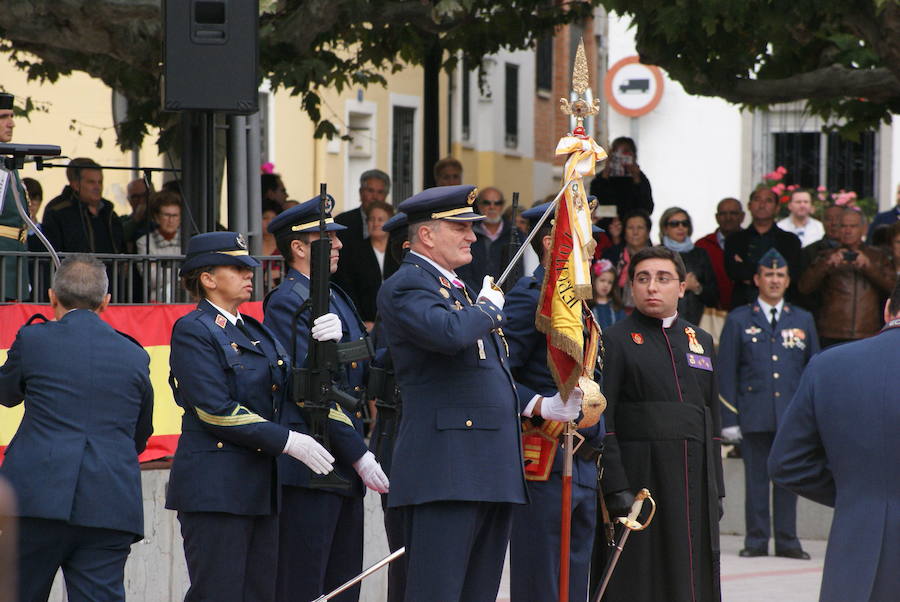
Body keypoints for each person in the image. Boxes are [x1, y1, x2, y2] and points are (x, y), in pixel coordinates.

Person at [376, 184, 527, 601]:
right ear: (427, 235)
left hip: (486, 468)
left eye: (472, 227)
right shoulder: (409, 284)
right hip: (446, 469)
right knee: (437, 591)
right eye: (461, 227)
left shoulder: (456, 288)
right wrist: (488, 310)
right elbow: (448, 334)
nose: (472, 236)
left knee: (477, 592)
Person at [165, 232, 335, 602]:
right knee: (219, 592)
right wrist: (286, 440)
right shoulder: (194, 330)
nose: (249, 274)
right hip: (216, 488)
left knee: (260, 593)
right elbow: (215, 409)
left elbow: (291, 387)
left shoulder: (254, 330)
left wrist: (324, 347)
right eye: (237, 267)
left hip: (259, 486)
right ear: (207, 278)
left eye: (249, 267)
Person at [0, 255, 154, 601]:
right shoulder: (134, 354)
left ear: (52, 297)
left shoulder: (34, 339)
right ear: (106, 302)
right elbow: (140, 434)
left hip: (35, 498)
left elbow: (6, 393)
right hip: (109, 500)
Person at [263, 198, 388, 602]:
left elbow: (360, 366)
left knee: (342, 584)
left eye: (336, 237)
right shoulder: (287, 301)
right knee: (305, 583)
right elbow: (308, 386)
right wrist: (358, 453)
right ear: (299, 247)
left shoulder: (337, 297)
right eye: (326, 237)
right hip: (313, 462)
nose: (337, 244)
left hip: (343, 457)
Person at [596, 245, 724, 602]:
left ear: (681, 287)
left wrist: (718, 488)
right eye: (643, 279)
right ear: (632, 287)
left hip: (694, 480)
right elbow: (604, 416)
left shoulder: (701, 341)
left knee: (692, 575)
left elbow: (712, 417)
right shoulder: (615, 339)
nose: (653, 287)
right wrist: (615, 484)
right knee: (640, 577)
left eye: (663, 278)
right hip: (641, 482)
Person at [768, 281, 900, 602]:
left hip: (857, 551)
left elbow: (786, 463)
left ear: (887, 310)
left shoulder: (828, 365)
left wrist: (852, 490)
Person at [504, 201, 600, 602]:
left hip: (581, 459)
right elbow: (497, 374)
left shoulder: (581, 303)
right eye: (580, 238)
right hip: (541, 459)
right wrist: (540, 405)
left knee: (576, 581)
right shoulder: (531, 298)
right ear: (551, 242)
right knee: (542, 581)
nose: (591, 248)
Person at [717, 248, 818, 559]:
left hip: (791, 416)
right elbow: (726, 371)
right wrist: (729, 419)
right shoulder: (738, 319)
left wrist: (812, 417)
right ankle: (757, 540)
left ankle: (788, 541)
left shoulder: (803, 319)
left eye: (780, 275)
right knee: (756, 481)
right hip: (753, 414)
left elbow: (813, 370)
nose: (774, 280)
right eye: (769, 275)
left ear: (788, 281)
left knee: (789, 481)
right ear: (757, 280)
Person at [367, 210, 410, 602]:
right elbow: (383, 363)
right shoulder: (401, 292)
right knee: (406, 555)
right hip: (399, 432)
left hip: (412, 433)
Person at [798, 208, 895, 346]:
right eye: (843, 226)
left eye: (853, 226)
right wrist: (827, 265)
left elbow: (893, 288)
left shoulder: (878, 256)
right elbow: (804, 287)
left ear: (863, 228)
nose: (847, 231)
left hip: (867, 332)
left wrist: (869, 268)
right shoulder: (825, 255)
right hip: (831, 333)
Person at [725, 187, 802, 307]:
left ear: (777, 208)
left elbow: (793, 274)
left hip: (781, 307)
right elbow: (734, 272)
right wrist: (772, 272)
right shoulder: (735, 239)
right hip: (742, 305)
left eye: (768, 201)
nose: (762, 205)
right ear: (749, 206)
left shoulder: (790, 240)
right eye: (757, 200)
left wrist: (748, 270)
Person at [333, 199, 399, 327]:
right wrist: (360, 320)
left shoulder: (398, 250)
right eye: (371, 219)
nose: (375, 223)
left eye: (380, 219)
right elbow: (349, 288)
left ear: (390, 223)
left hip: (396, 322)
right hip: (366, 322)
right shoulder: (355, 251)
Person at [41, 158, 125, 254]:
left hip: (109, 269)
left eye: (100, 182)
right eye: (91, 182)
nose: (97, 187)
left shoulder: (109, 212)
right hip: (72, 268)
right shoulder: (57, 211)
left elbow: (122, 248)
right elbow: (51, 252)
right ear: (76, 185)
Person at [659, 206, 718, 325]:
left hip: (696, 323)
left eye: (684, 223)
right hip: (662, 323)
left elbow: (714, 296)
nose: (680, 227)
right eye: (675, 224)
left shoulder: (700, 254)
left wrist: (697, 288)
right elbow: (652, 291)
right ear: (665, 228)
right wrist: (682, 287)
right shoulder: (657, 254)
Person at [457, 186, 517, 289]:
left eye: (497, 203)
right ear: (479, 205)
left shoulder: (516, 234)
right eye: (486, 203)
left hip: (508, 300)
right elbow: (463, 272)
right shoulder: (468, 234)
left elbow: (519, 272)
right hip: (474, 298)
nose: (492, 207)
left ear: (502, 206)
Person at [0, 92, 28, 300]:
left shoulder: (7, 163)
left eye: (11, 116)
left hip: (16, 260)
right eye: (3, 117)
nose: (12, 123)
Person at [696, 197, 745, 311]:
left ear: (742, 216)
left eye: (733, 213)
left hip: (746, 312)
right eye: (723, 214)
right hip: (711, 313)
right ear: (717, 217)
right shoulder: (703, 245)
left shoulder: (752, 243)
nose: (728, 218)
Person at [588, 136, 653, 218]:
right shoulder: (600, 179)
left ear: (633, 156)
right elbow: (594, 204)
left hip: (631, 226)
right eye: (616, 152)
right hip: (607, 225)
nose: (620, 157)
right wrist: (605, 174)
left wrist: (636, 179)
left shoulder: (641, 179)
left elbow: (647, 208)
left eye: (625, 152)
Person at [136, 191, 183, 302]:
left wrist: (162, 269)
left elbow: (193, 276)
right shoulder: (144, 242)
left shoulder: (188, 241)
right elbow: (151, 278)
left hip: (184, 302)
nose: (170, 220)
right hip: (157, 303)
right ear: (156, 217)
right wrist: (182, 273)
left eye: (175, 215)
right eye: (166, 215)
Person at [602, 209, 652, 312]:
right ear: (624, 232)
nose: (635, 232)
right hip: (615, 312)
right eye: (630, 228)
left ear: (648, 232)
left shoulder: (657, 257)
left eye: (640, 228)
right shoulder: (612, 255)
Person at [334, 169, 391, 245]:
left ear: (386, 195)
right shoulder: (341, 222)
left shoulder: (395, 224)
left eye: (380, 192)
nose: (375, 197)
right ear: (361, 192)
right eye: (370, 191)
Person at [591, 258, 626, 329]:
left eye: (610, 282)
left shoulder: (616, 306)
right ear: (594, 280)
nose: (606, 285)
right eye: (602, 280)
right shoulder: (588, 305)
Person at [121, 178, 152, 252]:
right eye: (135, 197)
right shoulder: (123, 220)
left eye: (144, 195)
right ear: (129, 200)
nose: (141, 201)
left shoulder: (162, 218)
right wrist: (136, 219)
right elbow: (119, 236)